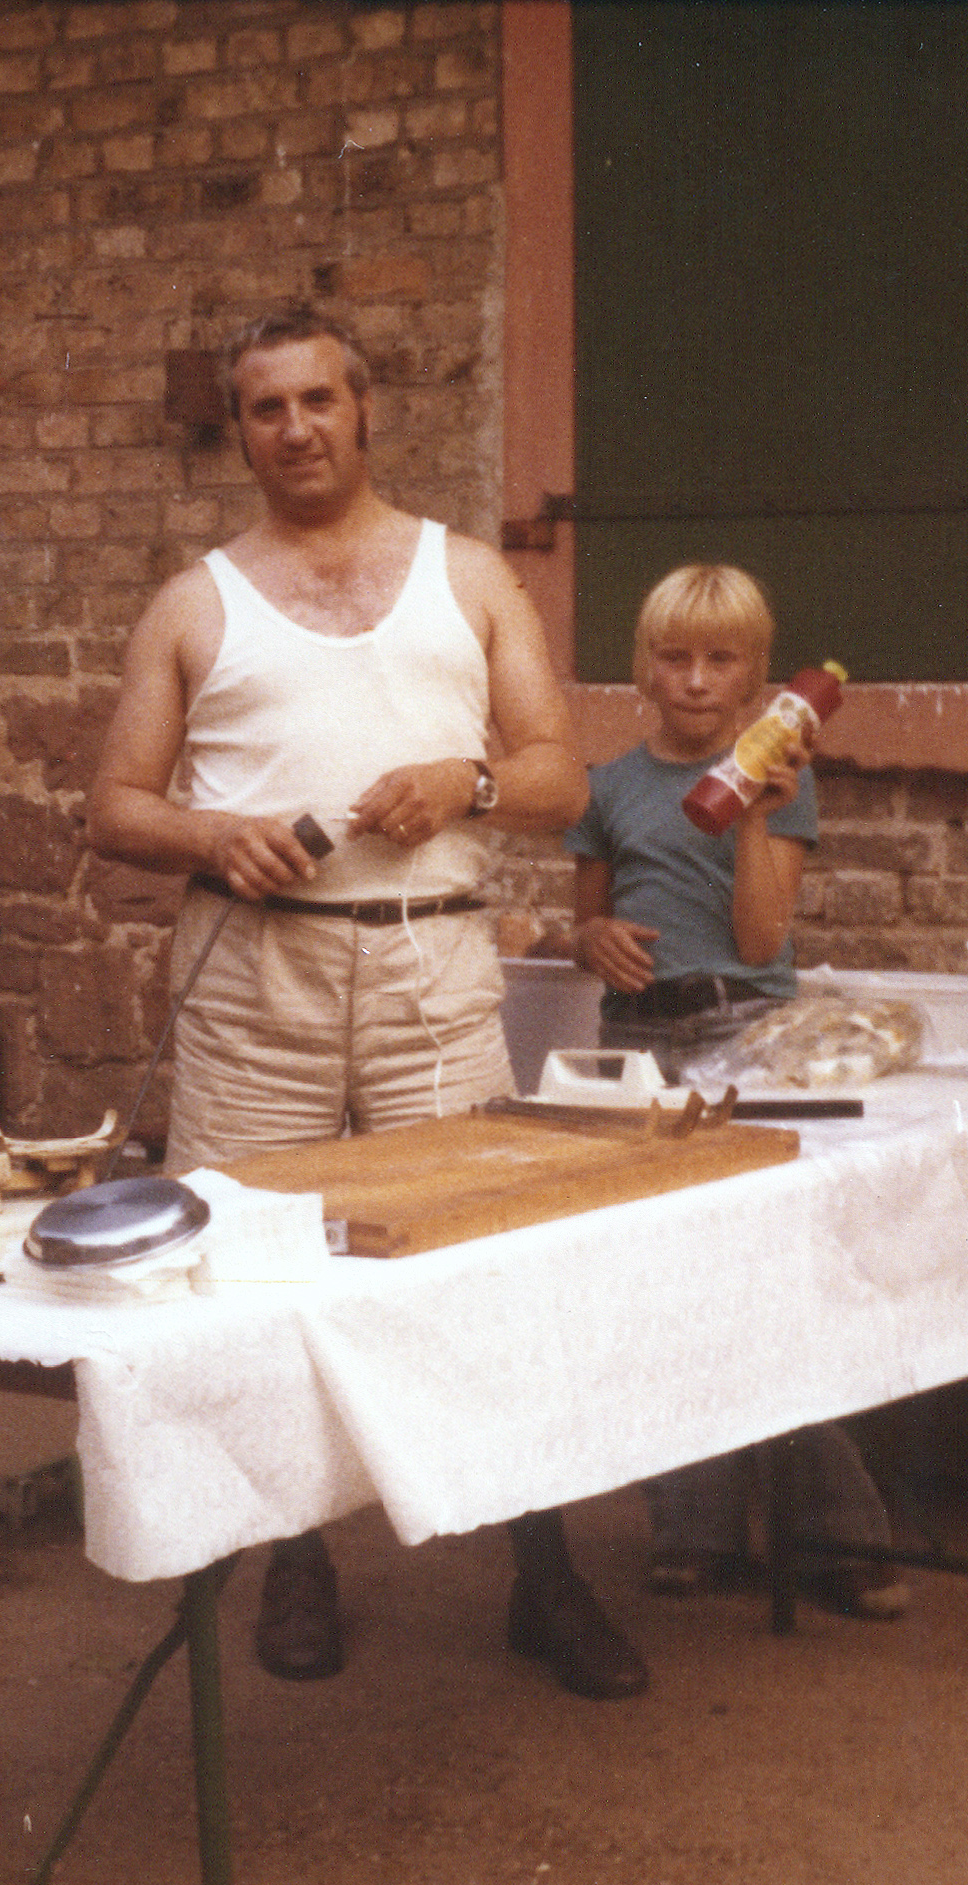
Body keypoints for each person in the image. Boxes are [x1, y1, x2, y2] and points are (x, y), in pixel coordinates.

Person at [84, 305, 646, 1700]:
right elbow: (113, 805)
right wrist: (216, 838)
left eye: (318, 399)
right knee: (248, 1272)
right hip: (253, 975)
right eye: (265, 408)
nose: (296, 428)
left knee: (473, 1267)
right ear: (241, 431)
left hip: (426, 964)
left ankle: (542, 1567)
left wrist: (460, 781)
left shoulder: (462, 578)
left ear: (365, 405)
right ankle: (294, 1560)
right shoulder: (195, 599)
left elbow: (557, 776)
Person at [568, 563, 904, 1617]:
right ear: (644, 668)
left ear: (761, 675)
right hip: (636, 1039)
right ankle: (694, 1527)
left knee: (766, 1281)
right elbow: (582, 922)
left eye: (722, 660)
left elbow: (763, 939)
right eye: (676, 657)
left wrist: (757, 810)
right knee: (662, 1289)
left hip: (745, 1031)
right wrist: (594, 938)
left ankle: (841, 1531)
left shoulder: (780, 777)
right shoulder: (609, 785)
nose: (698, 679)